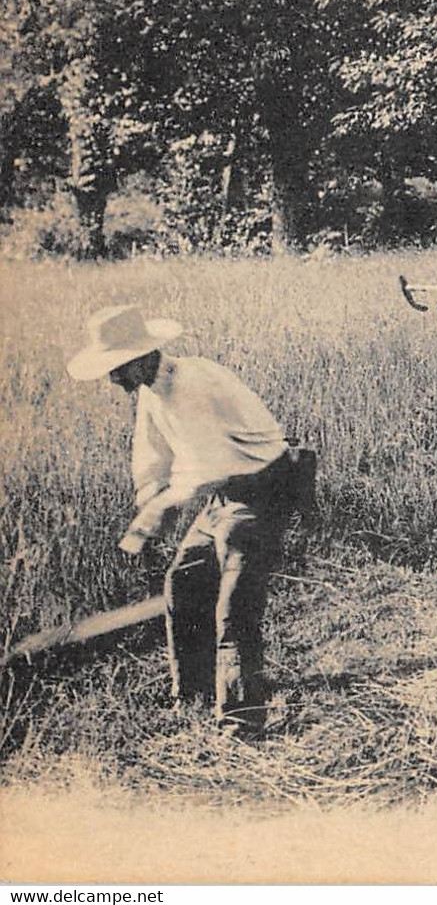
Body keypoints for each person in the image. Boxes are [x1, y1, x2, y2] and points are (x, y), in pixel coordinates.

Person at [68, 304, 302, 736]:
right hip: (222, 494)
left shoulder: (192, 384)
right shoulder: (153, 390)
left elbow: (204, 468)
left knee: (235, 604)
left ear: (139, 358)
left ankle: (241, 717)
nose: (112, 380)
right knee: (184, 580)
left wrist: (155, 516)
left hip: (262, 489)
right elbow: (152, 456)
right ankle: (191, 694)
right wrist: (148, 504)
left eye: (116, 369)